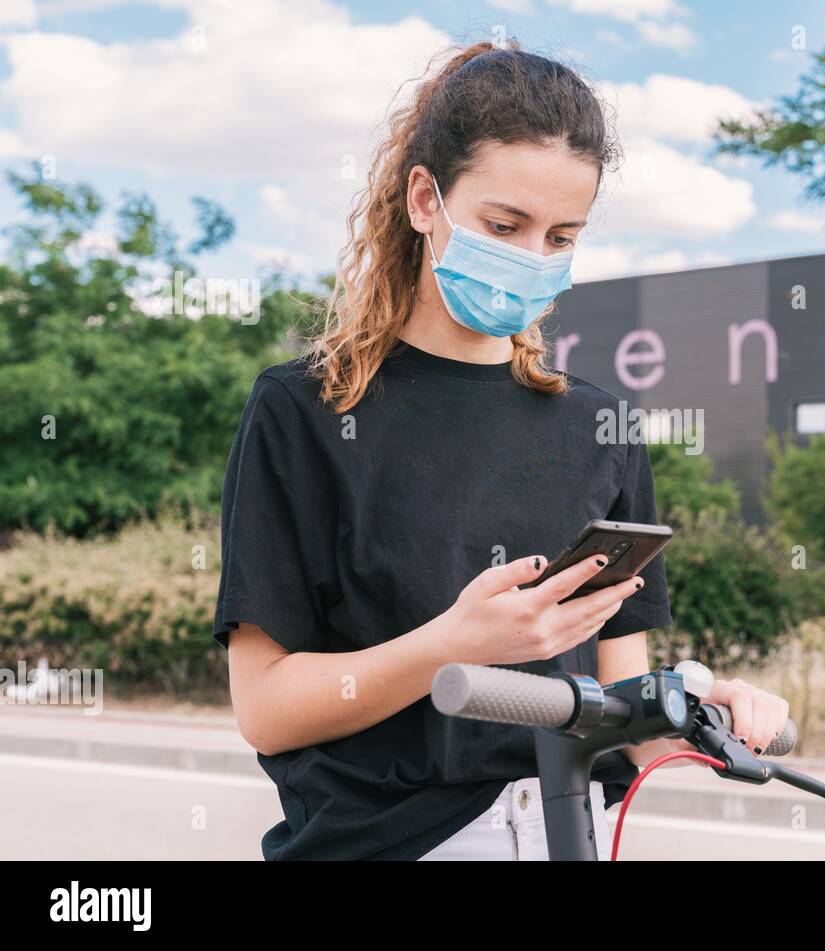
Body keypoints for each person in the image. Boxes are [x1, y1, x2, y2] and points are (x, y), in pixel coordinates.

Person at [213, 39, 790, 861]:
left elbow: (618, 721)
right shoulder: (304, 411)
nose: (532, 259)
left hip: (566, 830)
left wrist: (696, 707)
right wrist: (453, 643)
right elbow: (265, 706)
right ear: (424, 198)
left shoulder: (602, 429)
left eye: (561, 236)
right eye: (503, 225)